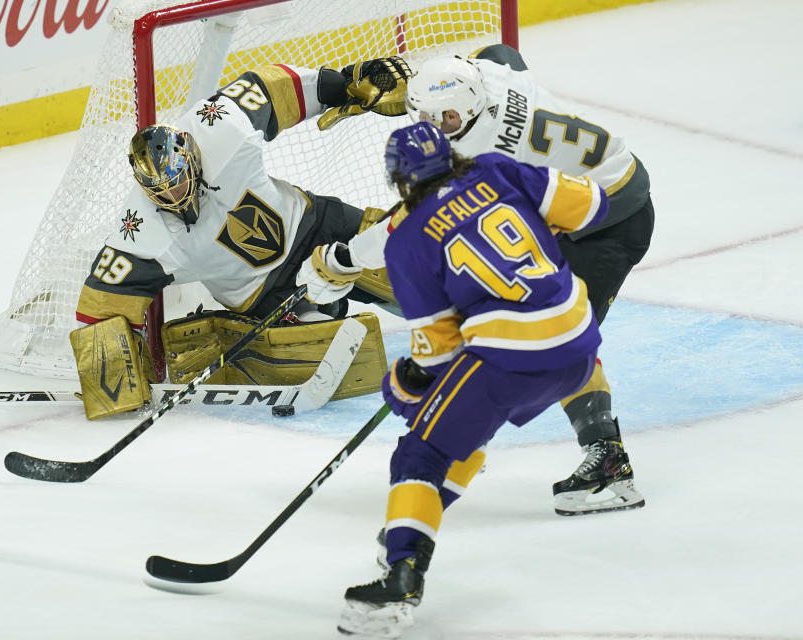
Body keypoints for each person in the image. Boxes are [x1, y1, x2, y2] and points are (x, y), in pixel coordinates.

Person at [337, 121, 609, 638]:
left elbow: (438, 353)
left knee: (422, 451)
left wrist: (404, 383)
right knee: (471, 424)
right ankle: (413, 523)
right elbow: (594, 205)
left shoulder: (407, 241)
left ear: (398, 181)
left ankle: (403, 574)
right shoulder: (496, 169)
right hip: (579, 347)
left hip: (512, 359)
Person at [69, 58, 412, 420]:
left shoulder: (221, 127)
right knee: (325, 350)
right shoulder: (142, 232)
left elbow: (273, 87)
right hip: (265, 297)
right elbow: (103, 304)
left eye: (178, 181)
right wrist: (109, 377)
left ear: (190, 157)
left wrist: (345, 83)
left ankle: (467, 306)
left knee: (409, 266)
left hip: (315, 224)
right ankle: (285, 324)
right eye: (161, 193)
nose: (174, 197)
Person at [392, 44, 651, 515]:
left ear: (470, 108)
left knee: (561, 338)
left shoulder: (481, 152)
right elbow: (502, 52)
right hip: (581, 192)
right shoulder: (490, 75)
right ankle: (468, 429)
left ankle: (609, 465)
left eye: (445, 117)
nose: (436, 128)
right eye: (426, 116)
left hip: (612, 216)